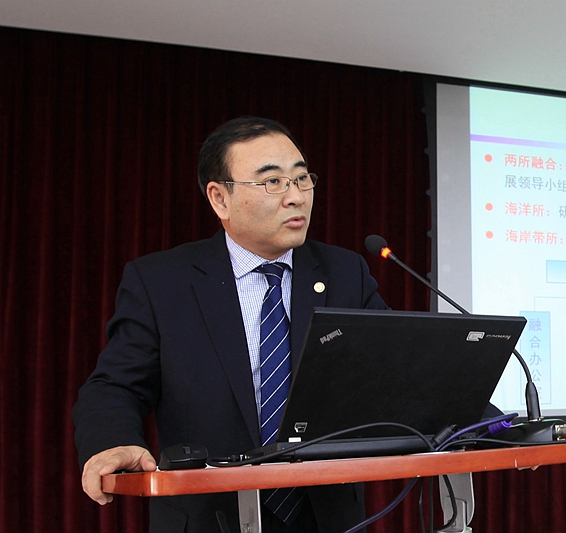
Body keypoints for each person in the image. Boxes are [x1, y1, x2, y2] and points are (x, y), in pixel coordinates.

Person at [73, 117, 388, 532]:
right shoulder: (162, 282)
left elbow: (393, 369)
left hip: (326, 516)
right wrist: (114, 442)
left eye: (301, 178)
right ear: (220, 198)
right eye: (272, 182)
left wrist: (471, 419)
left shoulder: (346, 273)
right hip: (208, 515)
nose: (296, 197)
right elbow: (116, 386)